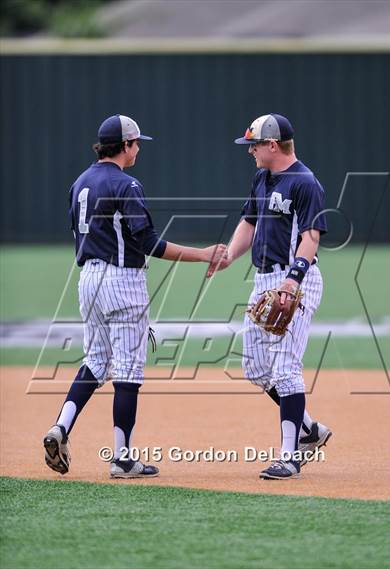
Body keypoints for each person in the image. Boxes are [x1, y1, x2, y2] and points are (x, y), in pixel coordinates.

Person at [43, 114, 227, 479]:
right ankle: (123, 458)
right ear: (125, 145)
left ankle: (61, 426)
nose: (139, 148)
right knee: (127, 371)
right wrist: (203, 254)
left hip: (87, 278)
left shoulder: (80, 182)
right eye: (137, 142)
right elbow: (148, 243)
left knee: (96, 361)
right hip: (121, 280)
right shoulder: (126, 184)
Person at [207, 114, 332, 479]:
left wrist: (293, 280)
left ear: (273, 146)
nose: (251, 151)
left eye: (254, 145)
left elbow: (311, 236)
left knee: (286, 368)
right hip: (264, 281)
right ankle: (309, 429)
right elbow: (250, 221)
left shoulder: (305, 183)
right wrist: (230, 255)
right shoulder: (263, 177)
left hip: (295, 279)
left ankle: (290, 457)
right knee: (257, 368)